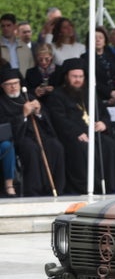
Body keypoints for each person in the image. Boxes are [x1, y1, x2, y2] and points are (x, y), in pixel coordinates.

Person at [45, 58, 115, 194]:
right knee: (82, 147)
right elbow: (59, 119)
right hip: (71, 135)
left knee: (108, 144)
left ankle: (107, 186)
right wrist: (76, 133)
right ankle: (85, 187)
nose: (78, 80)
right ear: (66, 77)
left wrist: (104, 123)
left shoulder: (89, 93)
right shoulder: (57, 95)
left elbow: (103, 112)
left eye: (80, 76)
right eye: (74, 76)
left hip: (93, 133)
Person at [0, 67, 66, 196]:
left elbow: (46, 119)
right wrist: (23, 115)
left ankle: (55, 187)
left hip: (39, 135)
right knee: (31, 149)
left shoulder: (28, 97)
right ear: (2, 86)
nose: (13, 87)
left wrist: (39, 112)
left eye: (15, 83)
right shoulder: (2, 103)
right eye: (9, 85)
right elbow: (5, 128)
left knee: (56, 146)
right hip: (19, 137)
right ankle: (34, 189)